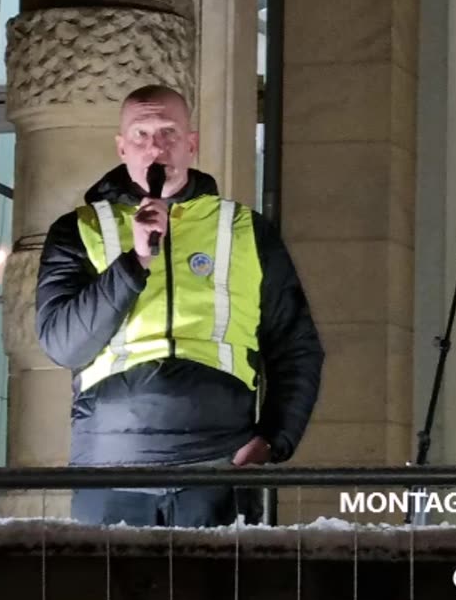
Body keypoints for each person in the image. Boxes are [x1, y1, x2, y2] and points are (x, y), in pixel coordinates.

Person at [34, 83, 324, 527]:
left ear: (192, 143)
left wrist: (276, 437)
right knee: (106, 598)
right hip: (110, 470)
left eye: (169, 132)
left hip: (219, 465)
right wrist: (135, 261)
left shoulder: (245, 229)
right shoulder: (78, 229)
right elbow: (64, 345)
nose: (155, 147)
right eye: (141, 134)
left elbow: (296, 344)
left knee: (218, 598)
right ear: (121, 147)